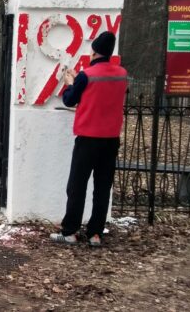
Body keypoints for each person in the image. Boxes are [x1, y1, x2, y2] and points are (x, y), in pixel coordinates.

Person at [50, 31, 127, 247]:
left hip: (88, 139)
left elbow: (69, 100)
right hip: (111, 139)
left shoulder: (86, 75)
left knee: (77, 185)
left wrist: (70, 82)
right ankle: (95, 234)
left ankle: (70, 231)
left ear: (93, 52)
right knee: (102, 187)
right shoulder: (122, 74)